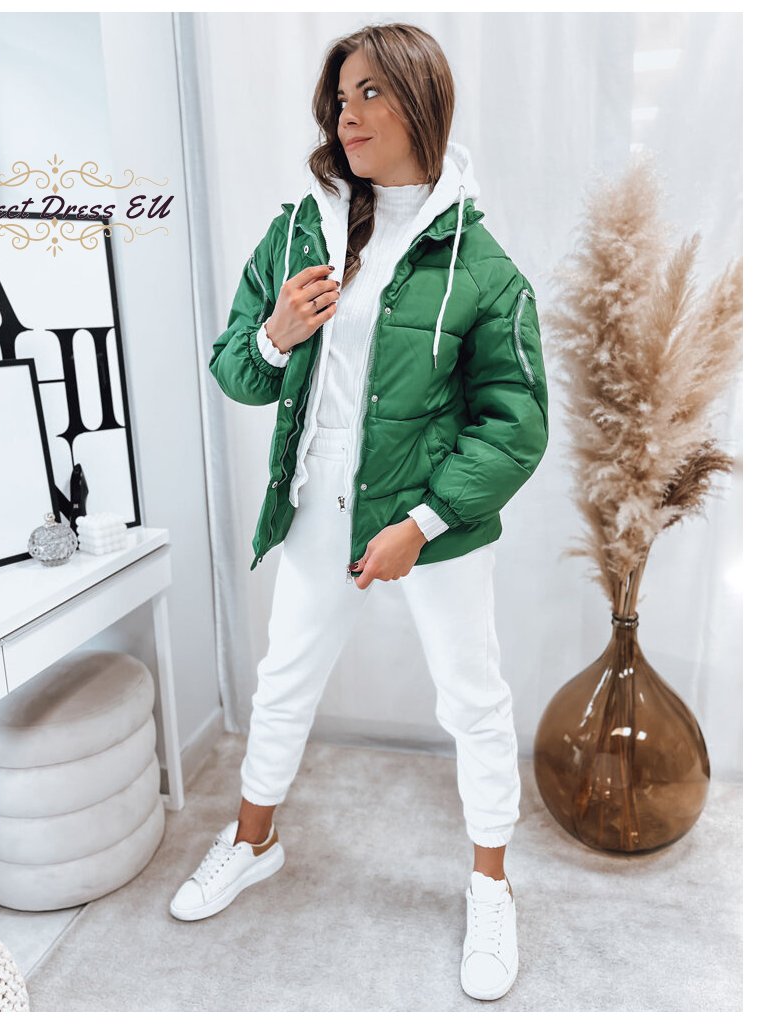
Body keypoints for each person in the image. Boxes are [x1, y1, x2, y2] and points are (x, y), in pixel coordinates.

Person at [170, 23, 549, 1003]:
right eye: (341, 96)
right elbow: (237, 371)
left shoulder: (482, 266)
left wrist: (419, 526)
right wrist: (275, 333)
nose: (348, 113)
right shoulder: (301, 229)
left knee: (471, 698)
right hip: (314, 497)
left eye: (372, 92)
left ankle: (491, 885)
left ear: (422, 101)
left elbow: (515, 427)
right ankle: (253, 843)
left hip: (428, 517)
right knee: (284, 678)